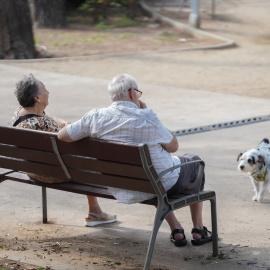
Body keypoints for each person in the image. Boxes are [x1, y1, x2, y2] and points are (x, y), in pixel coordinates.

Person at [58, 73, 212, 246]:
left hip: (122, 184)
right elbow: (173, 146)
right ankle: (198, 230)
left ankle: (176, 228)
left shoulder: (95, 117)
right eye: (138, 93)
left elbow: (62, 136)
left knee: (150, 171)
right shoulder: (147, 118)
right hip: (159, 183)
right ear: (132, 93)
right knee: (195, 162)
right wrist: (149, 115)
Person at [12, 74, 116, 227]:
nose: (48, 92)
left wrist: (64, 123)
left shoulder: (21, 114)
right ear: (37, 98)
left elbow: (51, 119)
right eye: (45, 90)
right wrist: (68, 126)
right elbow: (72, 137)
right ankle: (95, 212)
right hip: (54, 173)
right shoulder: (45, 124)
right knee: (87, 159)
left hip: (32, 169)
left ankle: (95, 210)